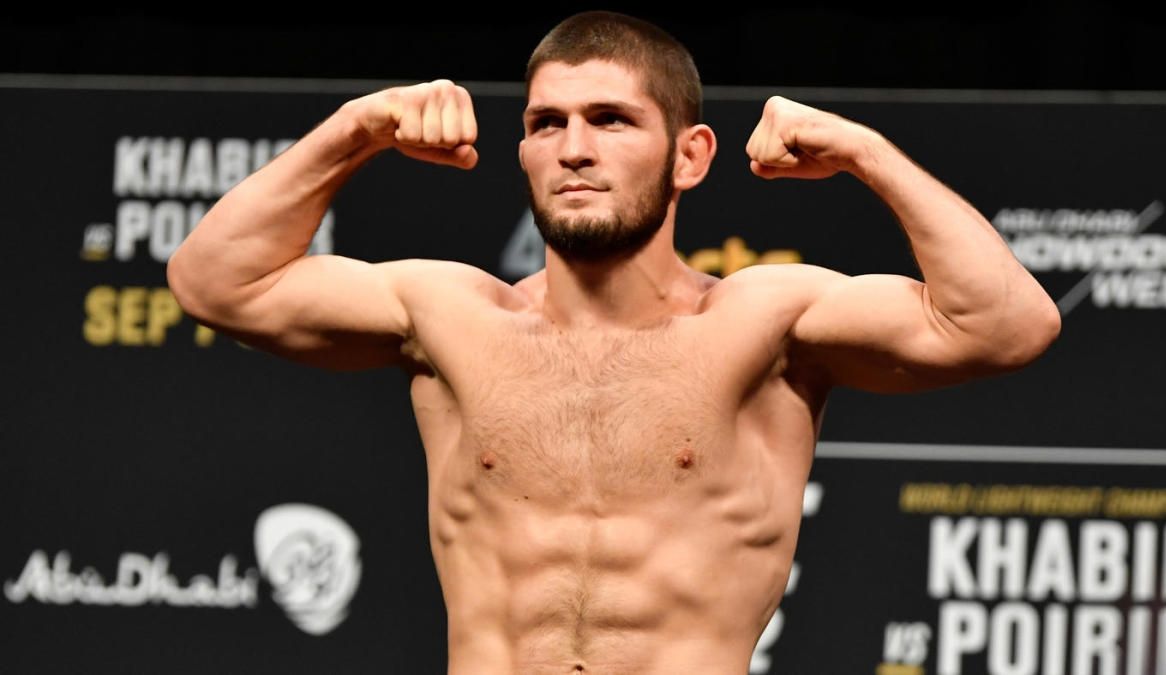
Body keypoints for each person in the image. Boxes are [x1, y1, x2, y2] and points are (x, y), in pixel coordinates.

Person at [166, 10, 1060, 674]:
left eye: (611, 119)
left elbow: (1007, 323)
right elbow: (214, 282)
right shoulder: (449, 315)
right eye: (546, 124)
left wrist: (866, 152)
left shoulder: (766, 323)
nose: (573, 149)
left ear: (690, 156)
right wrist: (356, 130)